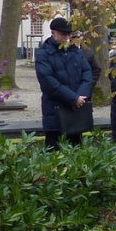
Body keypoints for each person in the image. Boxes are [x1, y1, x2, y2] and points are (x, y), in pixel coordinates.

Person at [35, 16, 93, 150]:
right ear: (53, 33)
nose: (66, 38)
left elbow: (87, 73)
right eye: (62, 34)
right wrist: (73, 99)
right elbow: (47, 81)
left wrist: (81, 97)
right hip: (55, 109)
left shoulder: (76, 52)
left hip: (76, 110)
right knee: (53, 152)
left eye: (68, 35)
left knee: (77, 151)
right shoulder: (43, 54)